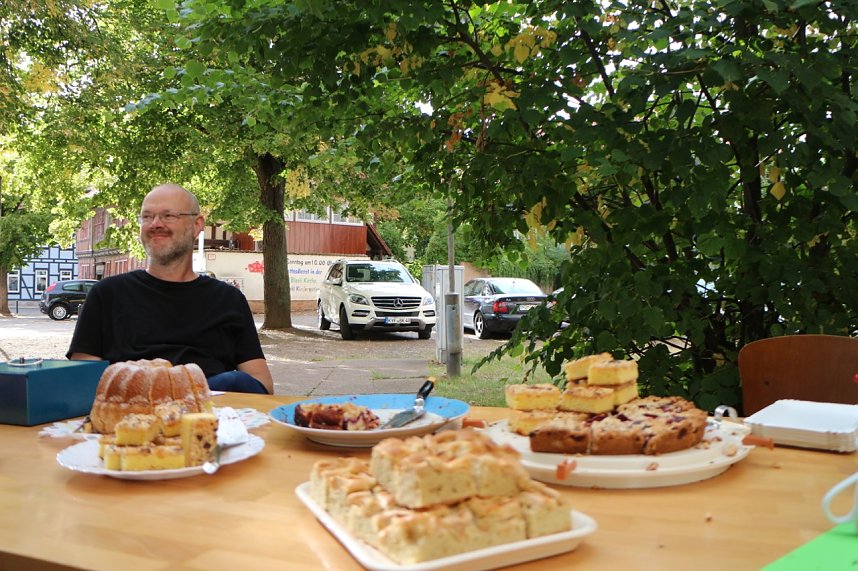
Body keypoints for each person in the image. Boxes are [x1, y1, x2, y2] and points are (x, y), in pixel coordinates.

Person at [67, 183, 274, 394]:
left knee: (234, 381)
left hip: (208, 415)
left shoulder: (229, 299)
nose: (155, 224)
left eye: (168, 216)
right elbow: (83, 378)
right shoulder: (106, 295)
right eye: (147, 217)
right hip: (131, 413)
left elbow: (261, 383)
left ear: (197, 225)